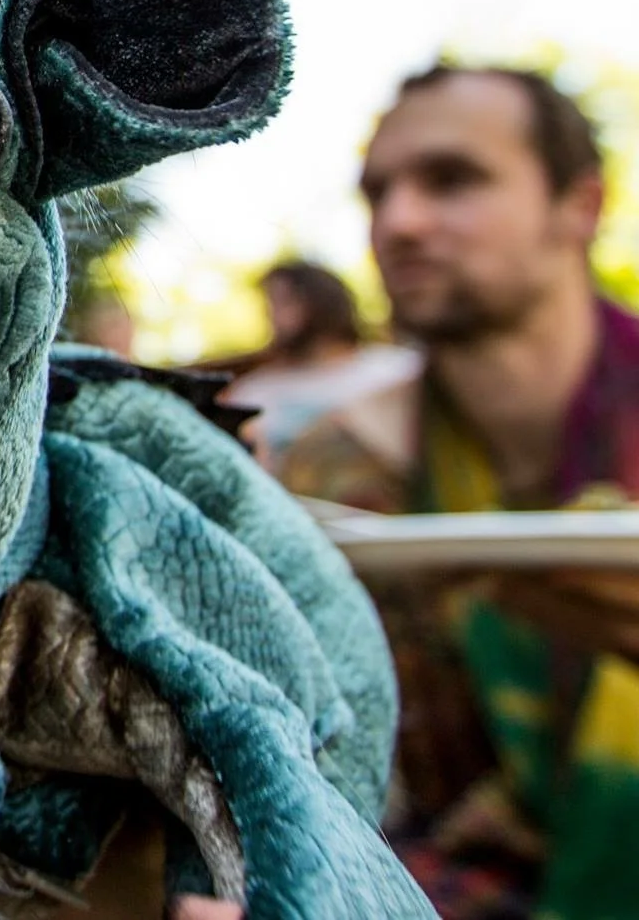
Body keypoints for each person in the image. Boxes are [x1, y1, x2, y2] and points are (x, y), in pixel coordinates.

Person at [282, 64, 639, 920]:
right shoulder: (335, 475)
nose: (398, 222)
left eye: (453, 180)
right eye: (380, 191)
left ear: (578, 207)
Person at [221, 260, 418, 471]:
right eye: (268, 304)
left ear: (322, 301)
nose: (271, 314)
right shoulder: (253, 393)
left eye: (283, 301)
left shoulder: (398, 370)